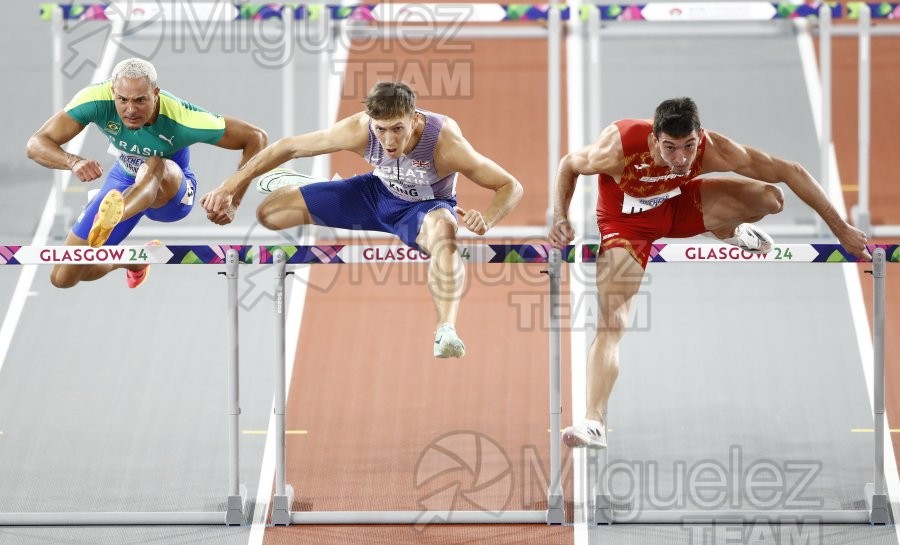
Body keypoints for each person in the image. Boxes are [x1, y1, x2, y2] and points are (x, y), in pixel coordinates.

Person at [549, 97, 870, 449]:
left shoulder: (713, 149)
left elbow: (790, 170)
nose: (681, 158)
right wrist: (561, 218)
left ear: (699, 136)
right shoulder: (618, 149)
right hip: (627, 227)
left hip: (680, 206)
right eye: (670, 148)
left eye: (689, 147)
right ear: (655, 140)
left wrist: (841, 230)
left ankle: (728, 230)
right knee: (613, 322)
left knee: (770, 198)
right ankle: (593, 422)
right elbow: (569, 165)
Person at [201, 81, 523, 358]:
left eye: (398, 128)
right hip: (372, 195)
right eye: (381, 130)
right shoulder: (360, 129)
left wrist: (489, 217)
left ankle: (446, 331)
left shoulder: (445, 143)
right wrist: (230, 187)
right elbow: (289, 146)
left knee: (445, 236)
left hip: (423, 210)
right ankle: (294, 185)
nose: (389, 140)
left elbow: (510, 185)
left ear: (414, 118)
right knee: (269, 214)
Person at [26, 57, 267, 288]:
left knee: (154, 164)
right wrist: (72, 161)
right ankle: (132, 260)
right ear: (112, 93)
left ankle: (115, 214)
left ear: (155, 94)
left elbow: (255, 138)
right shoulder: (94, 100)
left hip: (169, 194)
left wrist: (233, 199)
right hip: (123, 181)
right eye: (123, 100)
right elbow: (36, 144)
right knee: (63, 277)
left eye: (140, 100)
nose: (130, 109)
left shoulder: (183, 118)